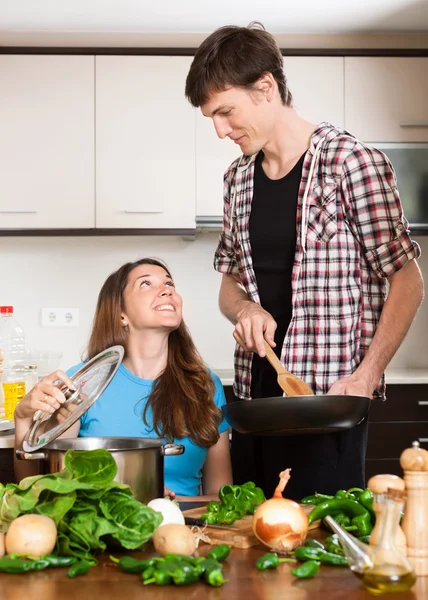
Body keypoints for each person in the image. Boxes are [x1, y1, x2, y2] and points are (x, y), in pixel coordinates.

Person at [185, 23, 425, 500]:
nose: (220, 130)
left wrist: (367, 375)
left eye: (226, 112)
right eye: (211, 118)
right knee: (252, 542)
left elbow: (408, 279)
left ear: (266, 87)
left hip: (328, 403)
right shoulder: (238, 180)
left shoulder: (351, 163)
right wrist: (246, 310)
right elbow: (230, 285)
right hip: (256, 402)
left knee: (322, 547)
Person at [14, 258, 232, 501]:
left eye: (169, 284)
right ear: (121, 315)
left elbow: (221, 495)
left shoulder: (205, 384)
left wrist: (167, 503)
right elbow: (39, 488)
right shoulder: (84, 385)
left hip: (186, 529)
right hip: (104, 529)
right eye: (146, 284)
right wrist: (23, 420)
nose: (167, 290)